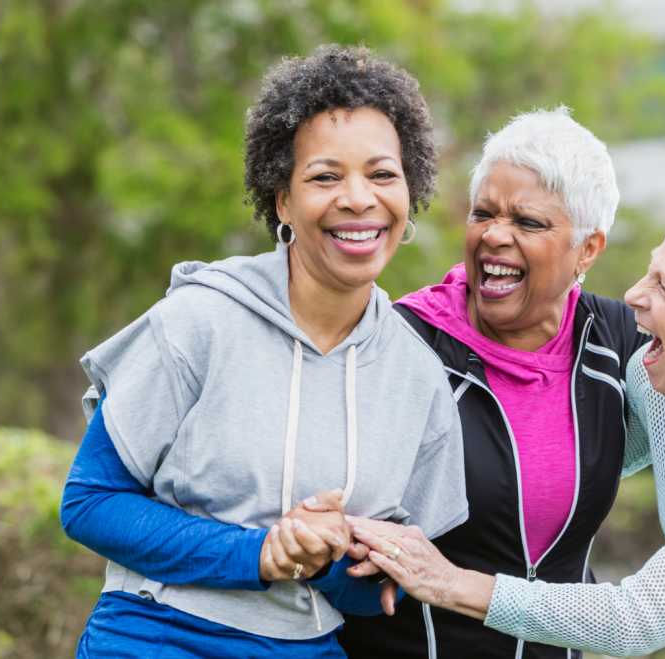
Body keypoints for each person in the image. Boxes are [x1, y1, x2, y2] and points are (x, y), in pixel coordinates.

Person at [333, 110, 665, 659]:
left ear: (587, 249)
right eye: (483, 213)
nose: (495, 235)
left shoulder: (623, 347)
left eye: (529, 221)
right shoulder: (399, 344)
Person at [59, 45, 468, 658]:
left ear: (410, 192)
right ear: (282, 202)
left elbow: (375, 596)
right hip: (153, 638)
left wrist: (327, 556)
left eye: (382, 174)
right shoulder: (198, 321)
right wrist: (262, 553)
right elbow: (90, 503)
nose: (358, 199)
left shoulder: (418, 379)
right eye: (325, 176)